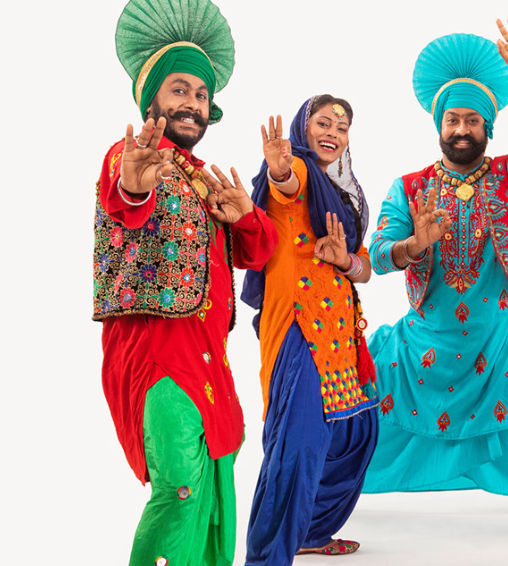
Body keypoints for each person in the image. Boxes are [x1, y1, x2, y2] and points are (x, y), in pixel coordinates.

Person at [363, 20, 508, 499]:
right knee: (346, 396)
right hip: (425, 343)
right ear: (439, 125)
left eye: (472, 120)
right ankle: (319, 501)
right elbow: (377, 256)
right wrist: (412, 247)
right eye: (452, 120)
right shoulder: (409, 187)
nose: (461, 129)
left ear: (487, 126)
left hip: (506, 338)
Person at [93, 1, 277, 564]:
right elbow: (123, 200)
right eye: (180, 90)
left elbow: (258, 252)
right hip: (157, 356)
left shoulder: (204, 177)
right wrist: (133, 184)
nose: (193, 103)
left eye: (201, 94)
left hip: (208, 360)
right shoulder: (131, 155)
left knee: (217, 487)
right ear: (152, 100)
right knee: (179, 487)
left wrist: (245, 213)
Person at [240, 96, 379, 562]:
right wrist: (281, 170)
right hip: (301, 328)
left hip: (341, 333)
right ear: (304, 128)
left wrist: (346, 261)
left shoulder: (344, 189)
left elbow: (363, 269)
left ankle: (311, 530)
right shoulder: (298, 169)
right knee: (298, 446)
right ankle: (268, 555)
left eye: (342, 127)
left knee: (356, 435)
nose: (334, 133)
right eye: (324, 122)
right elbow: (286, 186)